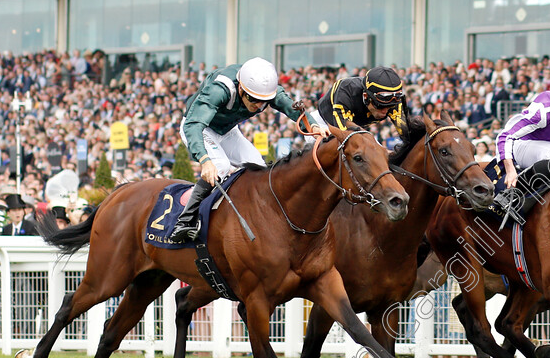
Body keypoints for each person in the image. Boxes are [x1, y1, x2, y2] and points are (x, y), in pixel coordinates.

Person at [171, 56, 329, 242]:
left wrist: (313, 126)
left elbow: (293, 110)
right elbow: (194, 125)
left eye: (264, 101)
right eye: (253, 99)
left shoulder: (267, 91)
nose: (258, 106)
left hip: (227, 129)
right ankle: (185, 221)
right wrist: (205, 160)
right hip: (199, 127)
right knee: (219, 165)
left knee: (258, 165)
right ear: (240, 88)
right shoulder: (220, 89)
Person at [311, 66, 410, 139]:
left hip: (358, 128)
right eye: (379, 106)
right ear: (366, 97)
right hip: (322, 123)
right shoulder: (346, 91)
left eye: (390, 106)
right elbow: (344, 135)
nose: (385, 111)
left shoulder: (392, 98)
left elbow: (407, 133)